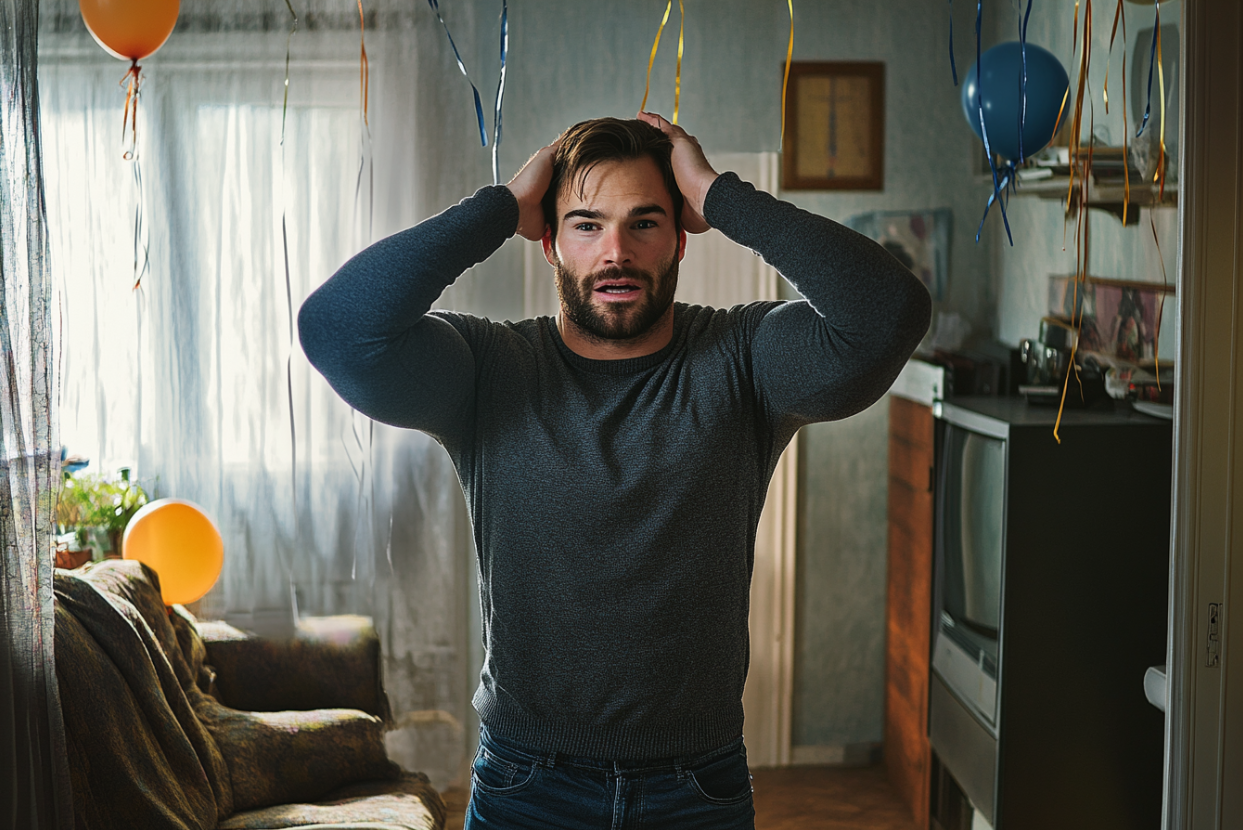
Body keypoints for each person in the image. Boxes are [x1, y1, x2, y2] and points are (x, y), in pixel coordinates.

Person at [298, 112, 931, 829]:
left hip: (696, 788)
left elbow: (888, 311)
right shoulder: (485, 370)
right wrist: (499, 206)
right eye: (587, 224)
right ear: (548, 242)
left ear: (680, 238)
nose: (616, 252)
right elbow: (337, 329)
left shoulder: (744, 357)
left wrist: (720, 194)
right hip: (525, 785)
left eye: (645, 223)